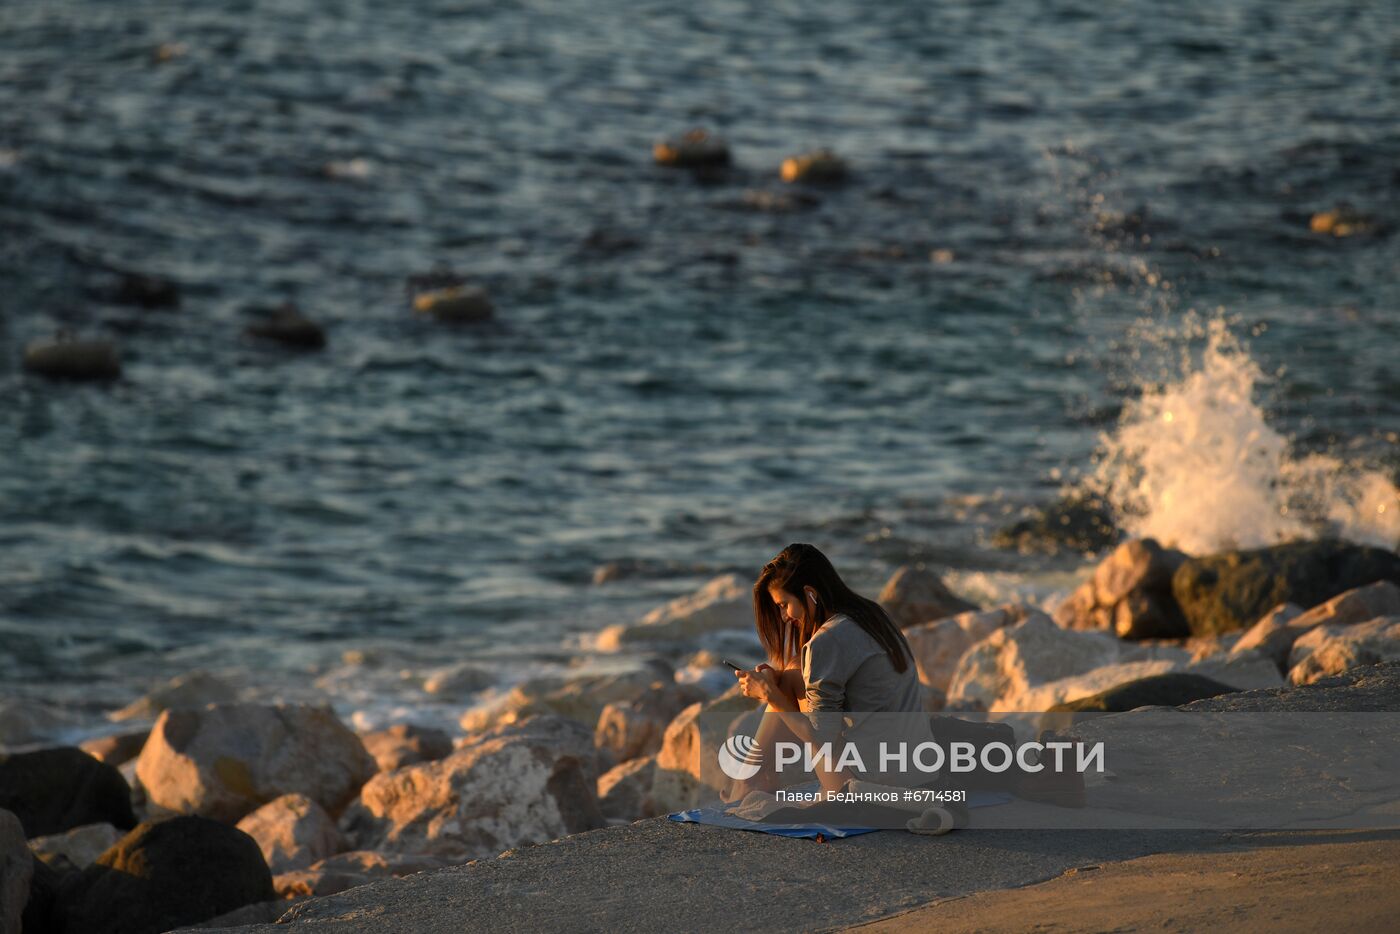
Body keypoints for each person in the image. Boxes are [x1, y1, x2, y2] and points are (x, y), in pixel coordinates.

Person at [723, 542, 932, 803]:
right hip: (917, 770)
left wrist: (770, 694)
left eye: (783, 604)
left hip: (867, 785)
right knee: (789, 675)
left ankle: (750, 780)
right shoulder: (872, 615)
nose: (785, 617)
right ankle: (754, 779)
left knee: (786, 681)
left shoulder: (828, 640)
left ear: (810, 593)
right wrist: (777, 686)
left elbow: (819, 737)